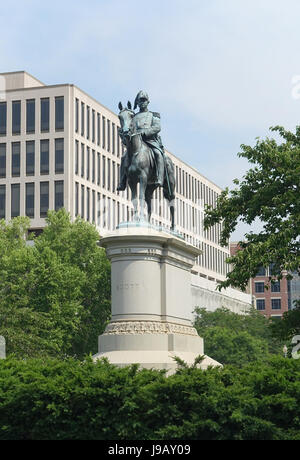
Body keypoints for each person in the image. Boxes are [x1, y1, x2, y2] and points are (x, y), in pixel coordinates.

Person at [117, 91, 165, 191]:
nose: (142, 102)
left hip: (150, 141)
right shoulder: (133, 117)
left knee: (158, 154)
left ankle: (159, 177)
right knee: (124, 157)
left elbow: (157, 127)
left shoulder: (154, 115)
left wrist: (145, 132)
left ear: (148, 102)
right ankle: (122, 181)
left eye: (144, 100)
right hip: (136, 142)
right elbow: (130, 128)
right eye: (140, 100)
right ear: (137, 103)